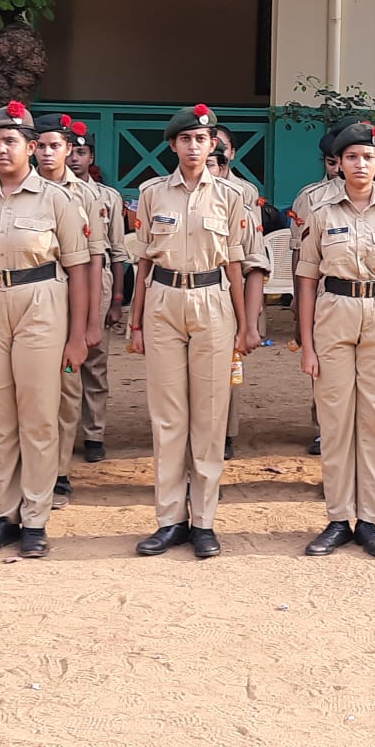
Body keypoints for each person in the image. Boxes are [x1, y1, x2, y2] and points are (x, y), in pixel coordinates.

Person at [0, 102, 91, 559]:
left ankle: (35, 517)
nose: (1, 149)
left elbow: (79, 268)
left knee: (38, 415)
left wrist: (77, 336)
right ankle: (2, 514)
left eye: (11, 141)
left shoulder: (57, 200)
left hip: (40, 303)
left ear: (31, 147)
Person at [128, 103, 255, 559]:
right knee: (168, 416)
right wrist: (136, 321)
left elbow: (236, 265)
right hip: (163, 299)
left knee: (209, 415)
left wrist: (244, 325)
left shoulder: (232, 196)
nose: (194, 146)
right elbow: (143, 261)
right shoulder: (151, 193)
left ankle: (203, 520)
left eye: (202, 139)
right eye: (186, 139)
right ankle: (169, 520)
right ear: (173, 145)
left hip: (213, 300)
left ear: (213, 145)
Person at [296, 121, 375, 557]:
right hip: (335, 312)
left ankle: (369, 519)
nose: (360, 164)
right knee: (334, 417)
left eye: (367, 157)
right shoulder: (322, 213)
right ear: (339, 164)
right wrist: (307, 344)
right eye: (351, 157)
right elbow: (307, 279)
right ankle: (337, 516)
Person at [33, 111, 109, 503]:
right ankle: (28, 469)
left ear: (68, 149)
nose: (48, 153)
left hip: (70, 303)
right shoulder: (19, 187)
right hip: (30, 301)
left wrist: (92, 321)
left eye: (56, 146)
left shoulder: (87, 195)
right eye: (42, 146)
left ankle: (59, 471)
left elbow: (95, 260)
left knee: (66, 386)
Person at [67, 123, 128, 462]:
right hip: (58, 279)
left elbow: (117, 252)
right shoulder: (48, 193)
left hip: (97, 281)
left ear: (91, 157)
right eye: (71, 151)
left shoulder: (108, 197)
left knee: (95, 360)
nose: (75, 159)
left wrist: (117, 300)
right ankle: (61, 431)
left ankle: (94, 432)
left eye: (82, 152)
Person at [212, 124, 269, 460]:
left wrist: (251, 314)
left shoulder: (243, 195)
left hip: (226, 294)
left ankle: (225, 431)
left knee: (226, 367)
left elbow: (252, 259)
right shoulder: (162, 194)